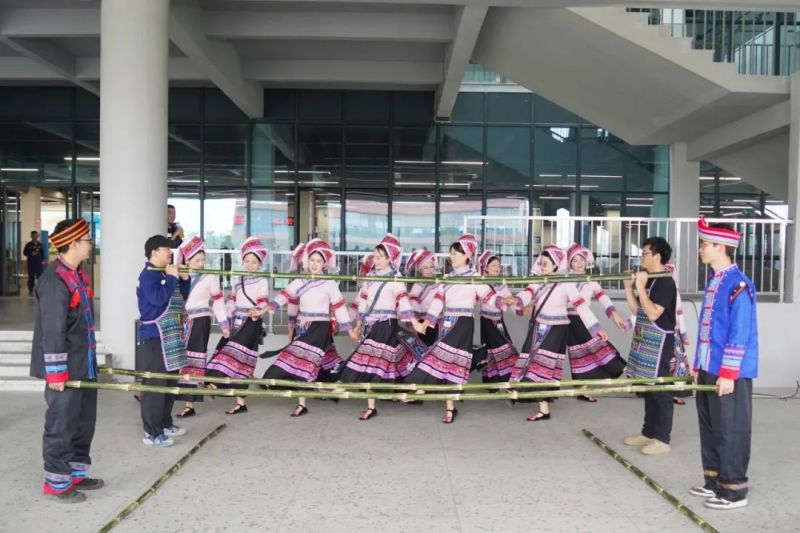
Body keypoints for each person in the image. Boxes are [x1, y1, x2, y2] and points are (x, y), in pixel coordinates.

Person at [689, 217, 758, 510]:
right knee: (710, 426)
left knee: (731, 429)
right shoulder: (715, 281)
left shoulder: (738, 284)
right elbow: (706, 330)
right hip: (709, 368)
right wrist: (697, 366)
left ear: (721, 247)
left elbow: (739, 332)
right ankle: (714, 481)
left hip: (729, 372)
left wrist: (728, 373)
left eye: (705, 244)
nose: (701, 249)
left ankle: (734, 490)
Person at [30, 218, 101, 503]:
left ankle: (75, 472)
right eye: (87, 241)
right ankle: (56, 481)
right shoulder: (54, 280)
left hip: (83, 363)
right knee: (61, 423)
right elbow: (52, 329)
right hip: (65, 367)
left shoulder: (77, 275)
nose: (90, 245)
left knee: (83, 421)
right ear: (73, 244)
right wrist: (56, 372)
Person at [505, 245, 606, 422]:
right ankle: (542, 408)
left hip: (557, 329)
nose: (541, 266)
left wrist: (596, 329)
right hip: (538, 327)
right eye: (540, 263)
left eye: (545, 263)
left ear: (555, 265)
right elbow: (527, 294)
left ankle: (527, 396)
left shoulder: (565, 282)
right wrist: (516, 299)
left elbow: (581, 306)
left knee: (541, 367)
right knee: (531, 363)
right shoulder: (539, 281)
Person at [407, 234, 498, 424]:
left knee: (440, 356)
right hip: (446, 322)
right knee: (449, 364)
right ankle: (449, 407)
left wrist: (507, 301)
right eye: (451, 253)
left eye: (456, 254)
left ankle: (420, 388)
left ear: (467, 256)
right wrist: (426, 323)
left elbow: (489, 297)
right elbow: (438, 302)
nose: (452, 257)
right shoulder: (447, 278)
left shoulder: (474, 278)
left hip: (463, 323)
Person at [262, 239, 356, 416]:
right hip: (302, 326)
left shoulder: (329, 283)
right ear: (307, 260)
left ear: (324, 264)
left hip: (320, 327)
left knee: (302, 362)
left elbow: (339, 306)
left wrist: (349, 329)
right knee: (302, 363)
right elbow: (286, 296)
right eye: (312, 260)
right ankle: (303, 403)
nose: (314, 264)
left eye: (319, 261)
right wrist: (270, 309)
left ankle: (332, 385)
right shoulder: (299, 281)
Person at [339, 234, 422, 421]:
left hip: (386, 324)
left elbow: (403, 302)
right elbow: (363, 302)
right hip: (370, 324)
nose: (375, 260)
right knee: (370, 363)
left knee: (371, 362)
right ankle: (371, 406)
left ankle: (351, 389)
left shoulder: (396, 278)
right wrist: (358, 326)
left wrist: (415, 322)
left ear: (389, 258)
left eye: (379, 257)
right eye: (374, 256)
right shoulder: (370, 276)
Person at [622, 236, 679, 455]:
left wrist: (640, 287)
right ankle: (648, 432)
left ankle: (662, 439)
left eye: (645, 253)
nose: (642, 257)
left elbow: (654, 313)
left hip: (660, 342)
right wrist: (629, 289)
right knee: (648, 387)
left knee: (661, 390)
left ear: (657, 256)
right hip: (645, 339)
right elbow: (638, 311)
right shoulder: (650, 279)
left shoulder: (665, 282)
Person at [137, 235, 190, 447]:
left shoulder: (165, 272)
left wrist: (184, 279)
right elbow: (158, 299)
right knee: (155, 386)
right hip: (155, 337)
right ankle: (152, 432)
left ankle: (165, 423)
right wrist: (171, 278)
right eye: (166, 249)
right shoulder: (148, 275)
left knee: (170, 383)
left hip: (172, 336)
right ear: (154, 252)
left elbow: (180, 297)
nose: (170, 253)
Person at [206, 237, 269, 414]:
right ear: (242, 261)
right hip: (236, 321)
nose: (250, 265)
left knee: (234, 354)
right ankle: (241, 403)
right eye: (247, 261)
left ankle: (216, 382)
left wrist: (257, 311)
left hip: (252, 322)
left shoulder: (262, 281)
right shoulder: (238, 279)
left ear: (260, 264)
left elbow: (263, 302)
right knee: (230, 353)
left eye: (254, 262)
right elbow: (231, 300)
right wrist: (226, 319)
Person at [175, 236, 231, 418]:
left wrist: (223, 324)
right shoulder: (178, 275)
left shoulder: (209, 278)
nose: (200, 263)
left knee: (194, 360)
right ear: (187, 260)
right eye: (196, 260)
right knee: (177, 359)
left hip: (200, 322)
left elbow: (218, 302)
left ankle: (189, 404)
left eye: (202, 260)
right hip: (181, 321)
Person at [564, 243, 629, 401]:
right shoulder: (564, 280)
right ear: (570, 263)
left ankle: (626, 371)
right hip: (568, 321)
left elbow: (603, 299)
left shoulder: (592, 282)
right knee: (577, 354)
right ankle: (582, 390)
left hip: (585, 321)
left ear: (586, 261)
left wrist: (614, 314)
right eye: (574, 260)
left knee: (600, 346)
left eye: (581, 259)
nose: (579, 263)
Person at [476, 251, 519, 383]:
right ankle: (493, 382)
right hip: (487, 321)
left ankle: (505, 379)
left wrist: (520, 307)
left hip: (499, 321)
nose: (497, 268)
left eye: (498, 265)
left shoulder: (502, 284)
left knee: (504, 347)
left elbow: (510, 300)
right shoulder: (481, 283)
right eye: (493, 265)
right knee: (491, 349)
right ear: (486, 268)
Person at [23, 230, 45, 295]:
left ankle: (41, 289)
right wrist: (31, 253)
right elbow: (24, 253)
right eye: (33, 236)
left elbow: (42, 254)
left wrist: (43, 260)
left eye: (36, 236)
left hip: (39, 264)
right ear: (31, 236)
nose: (35, 237)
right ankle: (30, 289)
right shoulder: (28, 244)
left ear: (37, 236)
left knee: (40, 277)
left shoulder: (40, 244)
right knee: (31, 277)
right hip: (31, 263)